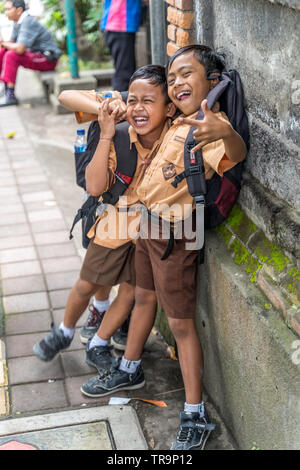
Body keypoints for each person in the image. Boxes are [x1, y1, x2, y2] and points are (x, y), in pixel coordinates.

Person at [80, 45, 247, 451]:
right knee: (141, 299)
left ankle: (195, 413)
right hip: (148, 227)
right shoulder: (175, 121)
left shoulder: (210, 123)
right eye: (172, 78)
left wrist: (226, 133)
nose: (177, 83)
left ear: (212, 82)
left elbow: (234, 158)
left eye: (187, 74)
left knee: (181, 324)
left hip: (178, 233)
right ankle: (130, 367)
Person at [33, 65, 176, 373]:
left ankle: (99, 341)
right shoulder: (126, 106)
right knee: (88, 282)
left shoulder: (175, 122)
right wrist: (109, 107)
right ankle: (65, 330)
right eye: (134, 99)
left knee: (130, 293)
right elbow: (66, 95)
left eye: (148, 101)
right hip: (114, 223)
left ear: (169, 106)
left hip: (149, 230)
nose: (139, 107)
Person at [0, 0, 61, 107]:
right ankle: (6, 88)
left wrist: (4, 44)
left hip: (47, 58)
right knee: (3, 51)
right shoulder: (17, 21)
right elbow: (12, 43)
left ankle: (10, 96)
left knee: (11, 55)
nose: (6, 12)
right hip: (36, 55)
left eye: (8, 9)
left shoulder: (28, 21)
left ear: (19, 10)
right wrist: (2, 43)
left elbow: (20, 49)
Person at [100, 0, 142, 91]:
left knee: (125, 71)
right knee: (124, 73)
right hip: (120, 24)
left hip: (118, 25)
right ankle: (119, 102)